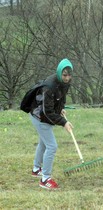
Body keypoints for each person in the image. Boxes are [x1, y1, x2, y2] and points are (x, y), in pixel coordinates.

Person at [30, 58, 73, 189]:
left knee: (44, 142)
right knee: (52, 146)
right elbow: (47, 112)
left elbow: (61, 98)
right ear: (60, 73)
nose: (67, 78)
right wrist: (64, 123)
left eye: (69, 75)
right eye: (64, 75)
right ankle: (45, 179)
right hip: (39, 116)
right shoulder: (49, 86)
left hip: (44, 115)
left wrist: (60, 109)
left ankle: (36, 169)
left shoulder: (65, 83)